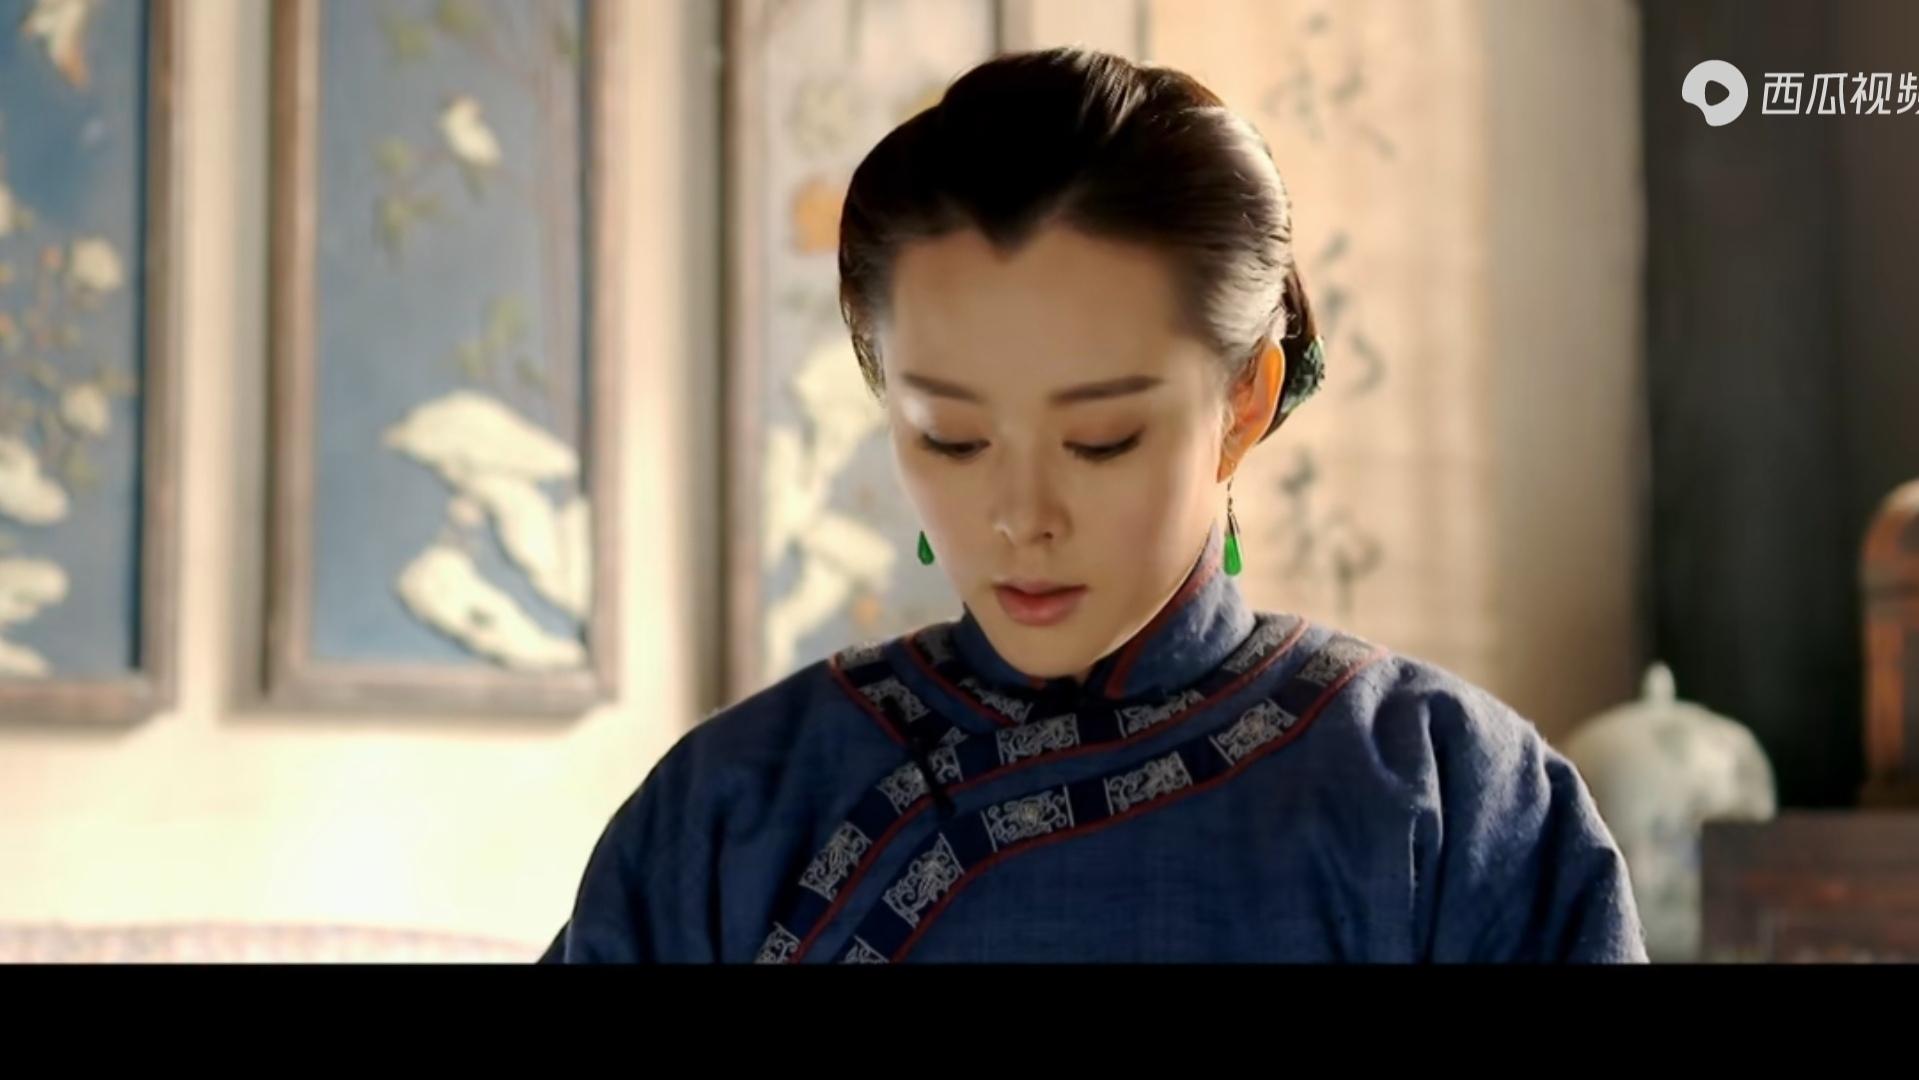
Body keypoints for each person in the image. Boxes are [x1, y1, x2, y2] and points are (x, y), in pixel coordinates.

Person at [541, 48, 1645, 964]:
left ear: (1243, 402)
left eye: (1101, 439)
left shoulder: (1449, 795)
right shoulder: (730, 808)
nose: (1020, 515)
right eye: (952, 437)